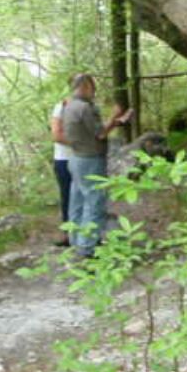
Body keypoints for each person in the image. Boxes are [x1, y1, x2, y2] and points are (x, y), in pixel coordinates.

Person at [62, 73, 132, 258]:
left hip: (75, 158)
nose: (94, 92)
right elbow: (100, 133)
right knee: (94, 203)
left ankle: (76, 240)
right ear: (85, 86)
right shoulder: (85, 108)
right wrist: (115, 116)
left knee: (77, 202)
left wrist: (116, 122)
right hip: (90, 160)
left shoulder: (68, 106)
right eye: (92, 88)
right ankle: (87, 249)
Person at [49, 86, 73, 248]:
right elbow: (56, 135)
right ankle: (68, 234)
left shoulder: (88, 108)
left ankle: (87, 233)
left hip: (84, 158)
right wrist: (81, 143)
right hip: (64, 159)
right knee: (67, 197)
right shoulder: (61, 107)